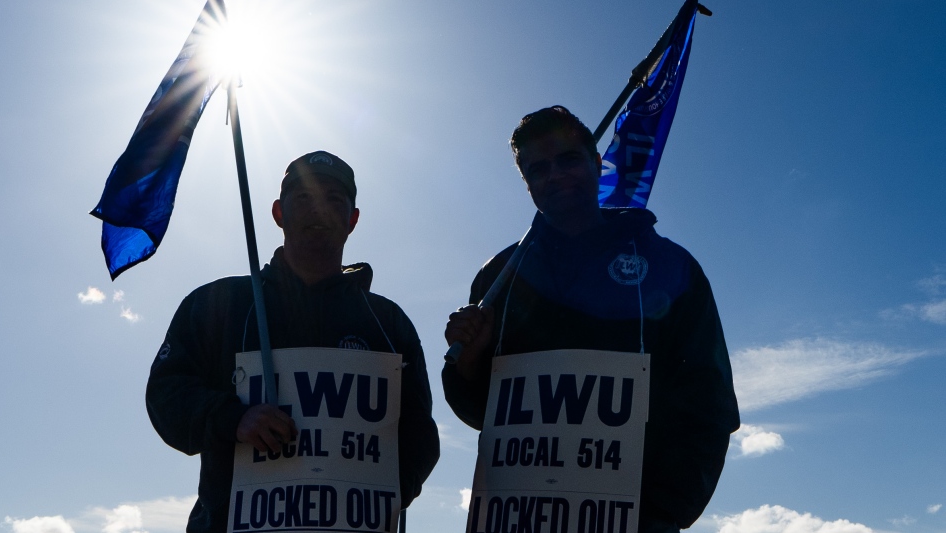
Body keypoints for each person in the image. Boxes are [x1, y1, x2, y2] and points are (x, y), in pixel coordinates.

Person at [442, 106, 739, 533]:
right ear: (526, 183)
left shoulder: (671, 267)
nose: (556, 175)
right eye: (538, 169)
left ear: (598, 162)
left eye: (568, 160)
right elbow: (479, 412)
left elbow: (709, 407)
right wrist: (467, 363)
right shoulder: (499, 276)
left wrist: (659, 514)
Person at [147, 151, 440, 533]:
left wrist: (381, 491)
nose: (318, 208)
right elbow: (166, 395)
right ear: (278, 213)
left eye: (334, 199)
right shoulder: (216, 304)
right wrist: (232, 417)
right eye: (303, 197)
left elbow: (419, 433)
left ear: (352, 220)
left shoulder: (388, 322)